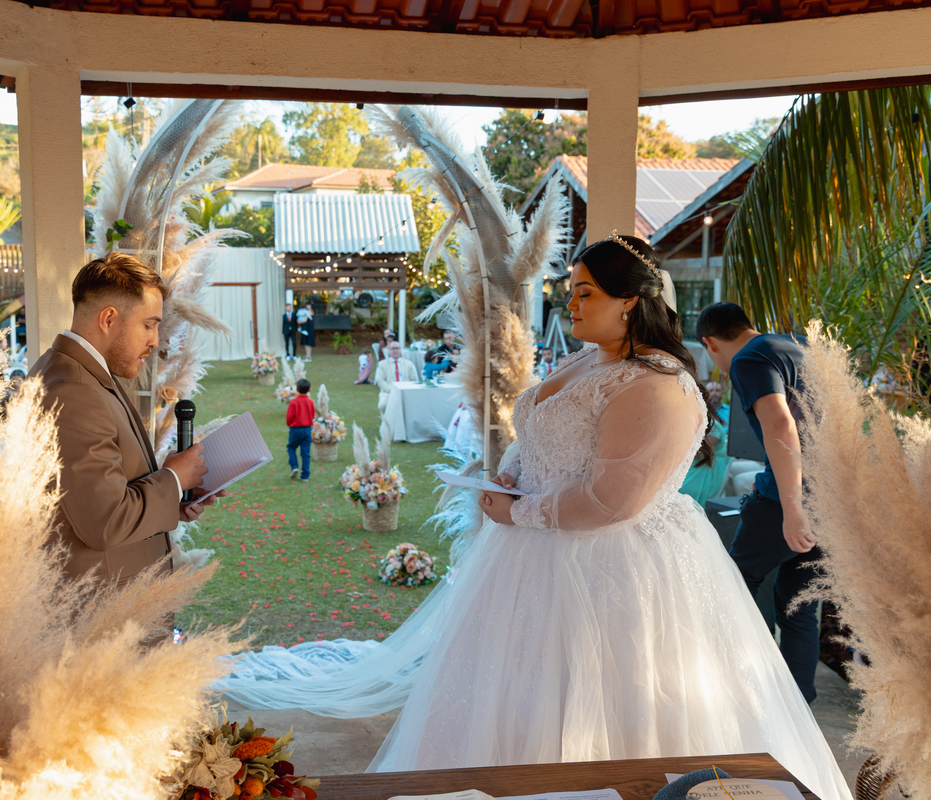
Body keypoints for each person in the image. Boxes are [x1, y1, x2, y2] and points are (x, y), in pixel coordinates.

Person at [217, 234, 850, 800]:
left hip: (613, 568)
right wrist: (511, 474)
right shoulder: (587, 359)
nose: (569, 303)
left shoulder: (654, 383)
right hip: (531, 556)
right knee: (509, 696)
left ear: (629, 302)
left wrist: (520, 511)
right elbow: (546, 431)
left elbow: (614, 500)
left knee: (608, 701)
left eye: (585, 292)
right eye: (570, 290)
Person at [28, 253, 222, 596]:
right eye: (149, 324)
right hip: (105, 608)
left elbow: (92, 496)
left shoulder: (80, 372)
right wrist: (174, 479)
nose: (155, 340)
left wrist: (172, 496)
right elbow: (105, 521)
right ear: (108, 319)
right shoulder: (73, 389)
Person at [697, 301, 822, 703]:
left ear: (710, 343)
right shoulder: (797, 344)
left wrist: (792, 507)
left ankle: (734, 694)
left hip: (787, 499)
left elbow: (780, 424)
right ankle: (798, 706)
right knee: (799, 608)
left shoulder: (748, 359)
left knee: (734, 587)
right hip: (832, 497)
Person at [679, 380, 732, 507]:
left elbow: (700, 453)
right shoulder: (697, 423)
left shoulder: (713, 426)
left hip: (707, 469)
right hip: (695, 466)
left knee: (679, 492)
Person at [374, 340, 418, 413]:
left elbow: (414, 380)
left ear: (400, 350)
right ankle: (386, 420)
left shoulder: (408, 364)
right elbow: (380, 380)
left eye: (397, 348)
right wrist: (390, 390)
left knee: (415, 405)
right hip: (388, 392)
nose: (395, 350)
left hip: (405, 391)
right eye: (393, 348)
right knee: (382, 405)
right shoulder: (382, 364)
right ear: (389, 351)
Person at [286, 378, 315, 482]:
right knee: (305, 452)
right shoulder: (311, 402)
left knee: (291, 447)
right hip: (307, 429)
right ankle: (305, 475)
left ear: (297, 390)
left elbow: (290, 416)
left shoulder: (293, 402)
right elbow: (312, 415)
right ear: (309, 390)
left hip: (295, 429)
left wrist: (289, 424)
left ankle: (294, 466)